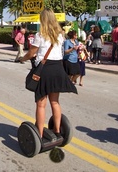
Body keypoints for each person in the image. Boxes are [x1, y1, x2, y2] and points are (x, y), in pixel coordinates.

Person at [19, 9, 77, 138]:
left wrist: (22, 58)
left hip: (44, 70)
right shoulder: (60, 35)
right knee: (55, 102)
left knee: (41, 104)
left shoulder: (40, 35)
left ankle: (39, 135)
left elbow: (31, 54)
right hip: (58, 68)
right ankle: (57, 130)